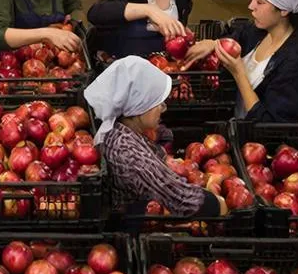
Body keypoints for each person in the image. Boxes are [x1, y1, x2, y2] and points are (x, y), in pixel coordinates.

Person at [86, 56, 227, 221]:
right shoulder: (128, 153)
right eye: (157, 102)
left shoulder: (122, 129)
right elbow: (182, 200)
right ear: (139, 106)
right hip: (133, 225)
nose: (163, 108)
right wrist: (219, 204)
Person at [184, 0, 298, 123]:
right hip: (235, 129)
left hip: (260, 137)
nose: (251, 6)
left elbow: (271, 123)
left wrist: (239, 73)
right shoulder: (255, 32)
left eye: (260, 2)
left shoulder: (296, 58)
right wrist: (213, 43)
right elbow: (232, 40)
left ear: (284, 10)